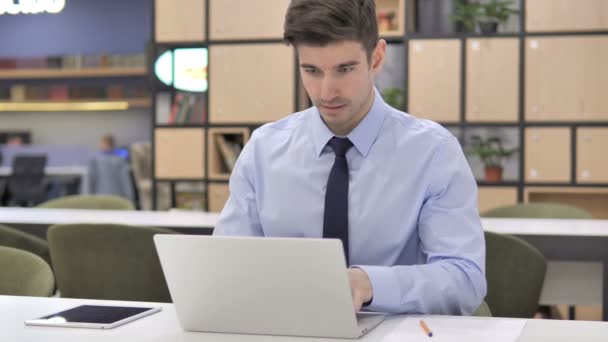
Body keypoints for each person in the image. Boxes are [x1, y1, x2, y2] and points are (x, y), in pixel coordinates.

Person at [213, 0, 486, 315]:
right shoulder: (262, 151)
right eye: (311, 70)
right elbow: (226, 266)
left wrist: (369, 284)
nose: (327, 91)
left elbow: (466, 280)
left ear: (377, 57)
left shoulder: (432, 153)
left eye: (345, 69)